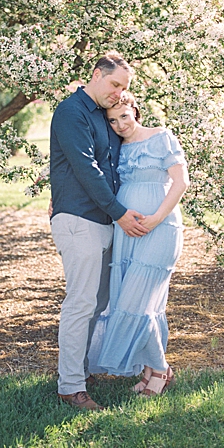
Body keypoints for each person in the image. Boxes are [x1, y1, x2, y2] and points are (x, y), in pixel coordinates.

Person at [50, 52, 149, 411]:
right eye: (115, 84)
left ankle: (81, 369)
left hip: (103, 220)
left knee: (99, 303)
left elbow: (118, 154)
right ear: (96, 75)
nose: (118, 92)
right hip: (79, 219)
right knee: (80, 303)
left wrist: (126, 105)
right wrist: (121, 214)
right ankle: (70, 386)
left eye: (124, 87)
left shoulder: (102, 114)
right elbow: (86, 169)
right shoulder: (71, 112)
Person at [87, 91, 190, 396]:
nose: (120, 124)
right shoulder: (118, 147)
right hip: (127, 231)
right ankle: (150, 371)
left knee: (137, 303)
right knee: (139, 303)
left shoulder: (161, 137)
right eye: (113, 120)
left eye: (124, 116)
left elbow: (181, 181)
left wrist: (157, 218)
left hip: (160, 228)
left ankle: (159, 369)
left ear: (135, 111)